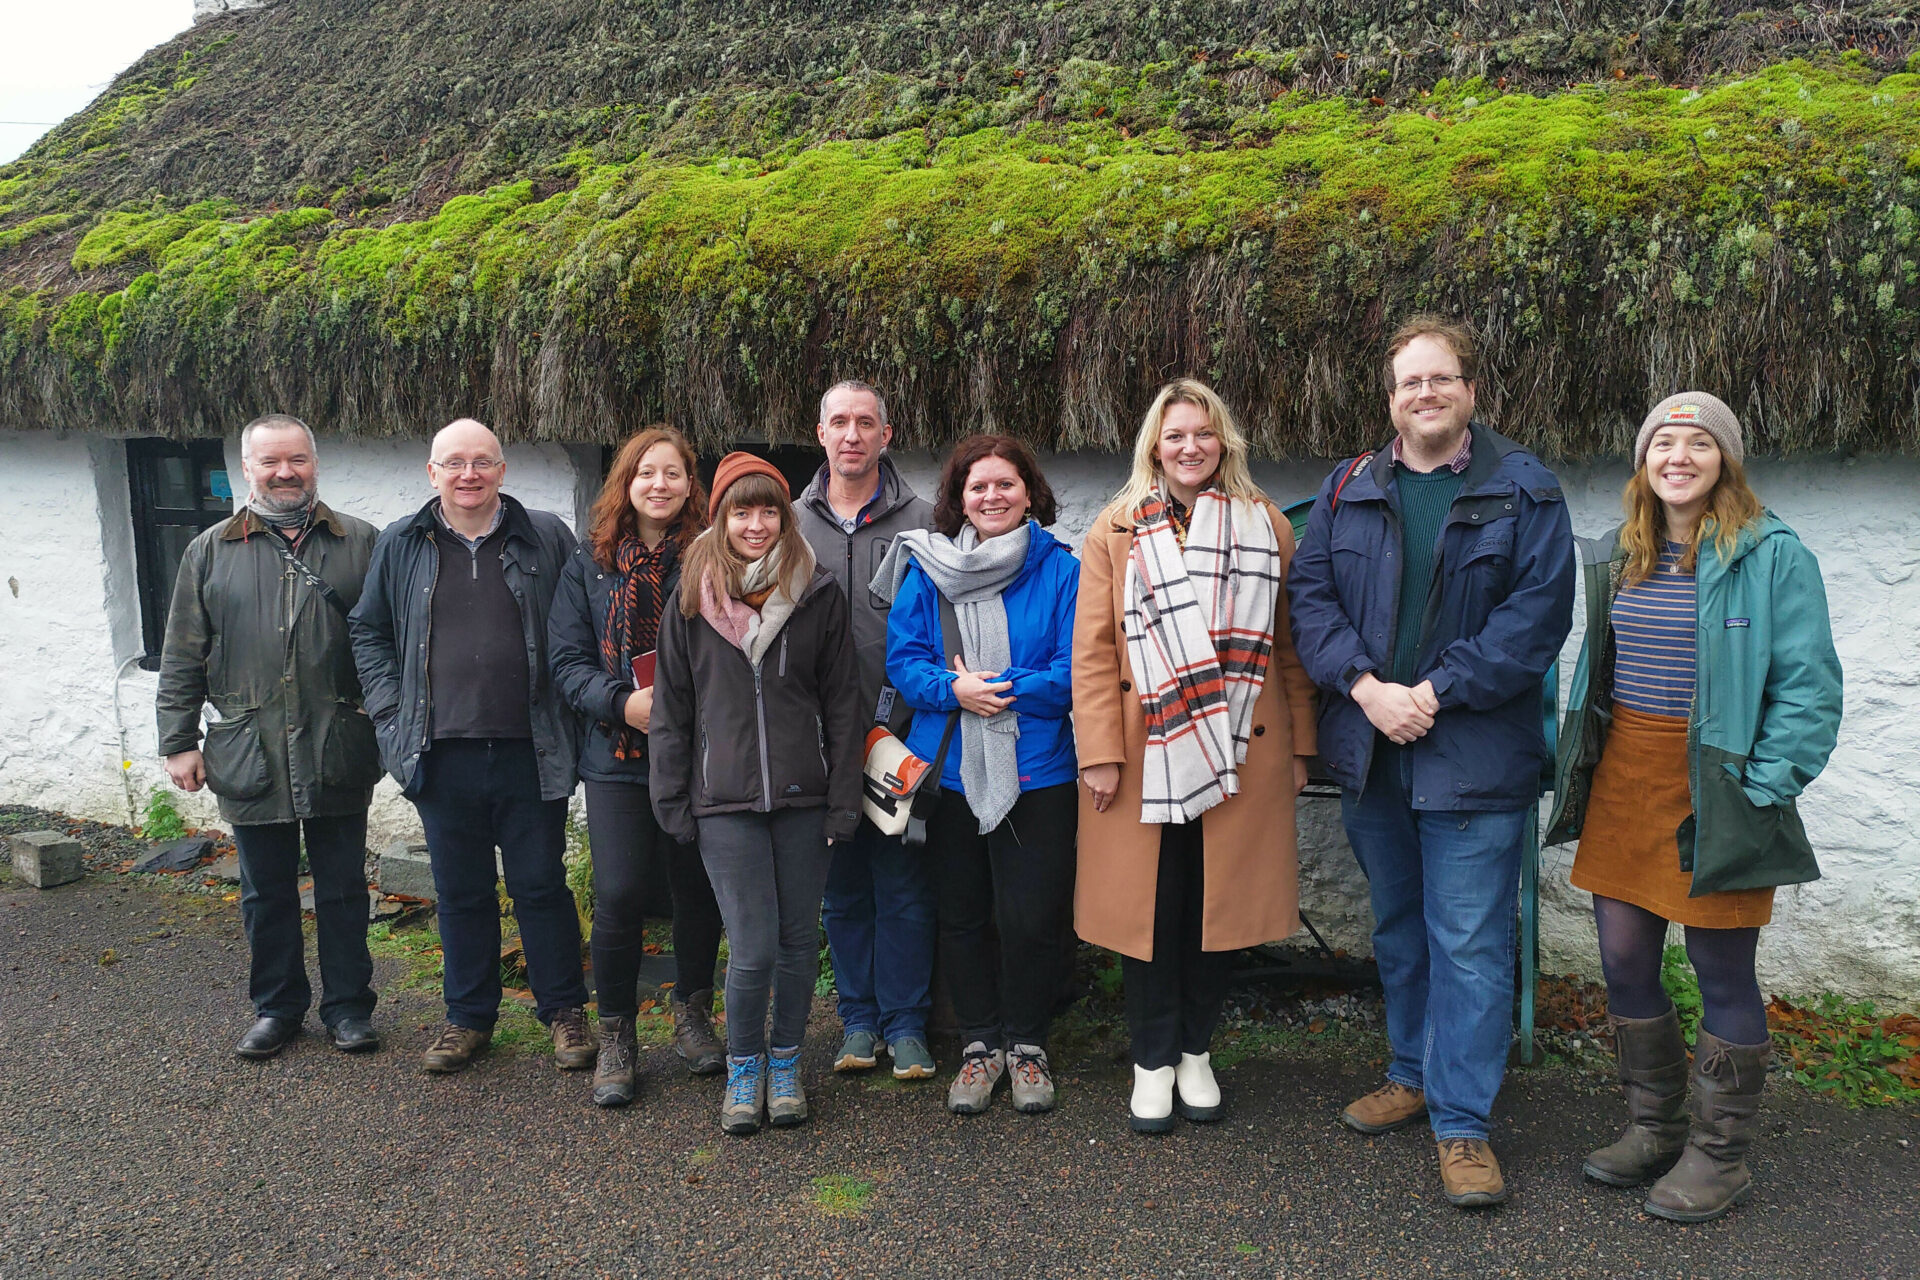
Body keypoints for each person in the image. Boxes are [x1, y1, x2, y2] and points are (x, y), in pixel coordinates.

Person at [1287, 316, 1576, 1208]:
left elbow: (1534, 623)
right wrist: (1369, 689)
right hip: (1376, 751)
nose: (1426, 394)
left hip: (1474, 757)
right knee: (1402, 932)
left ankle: (1463, 1126)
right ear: (1392, 399)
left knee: (1472, 946)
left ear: (1470, 391)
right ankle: (1410, 1075)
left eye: (1441, 380)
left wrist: (1434, 693)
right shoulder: (1348, 488)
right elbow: (1311, 599)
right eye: (1411, 383)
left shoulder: (1527, 492)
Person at [1546, 392, 1841, 1223]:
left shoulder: (1773, 554)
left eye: (1698, 443)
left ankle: (1719, 1157)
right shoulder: (1620, 554)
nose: (1678, 456)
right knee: (1626, 961)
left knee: (1721, 972)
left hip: (1718, 784)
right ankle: (1655, 1127)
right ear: (1645, 462)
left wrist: (1763, 785)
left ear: (1725, 461)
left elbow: (1810, 685)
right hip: (1627, 781)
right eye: (1663, 443)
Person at [1072, 381, 1318, 1132]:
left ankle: (1197, 1053)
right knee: (1154, 907)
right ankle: (1151, 1059)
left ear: (1224, 443)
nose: (1190, 447)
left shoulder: (1267, 524)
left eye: (1203, 435)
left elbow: (1288, 646)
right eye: (1175, 435)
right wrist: (1101, 753)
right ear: (1155, 444)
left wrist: (1303, 743)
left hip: (1243, 743)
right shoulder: (1114, 529)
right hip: (1144, 747)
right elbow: (1092, 651)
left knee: (1218, 906)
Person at [348, 418, 595, 1075]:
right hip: (439, 749)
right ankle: (468, 1019)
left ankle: (565, 1014)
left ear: (502, 470)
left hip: (530, 748)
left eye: (482, 461)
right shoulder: (404, 542)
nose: (469, 474)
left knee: (541, 885)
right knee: (461, 893)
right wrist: (390, 716)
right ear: (433, 473)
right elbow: (368, 631)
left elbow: (578, 628)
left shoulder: (545, 536)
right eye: (453, 463)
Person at [155, 414, 383, 1060]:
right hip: (248, 749)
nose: (286, 473)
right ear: (246, 469)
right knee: (265, 892)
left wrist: (385, 722)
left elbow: (389, 647)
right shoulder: (208, 551)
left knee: (343, 889)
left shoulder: (361, 543)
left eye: (297, 460)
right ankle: (277, 1008)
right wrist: (178, 740)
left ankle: (348, 1009)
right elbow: (182, 657)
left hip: (336, 742)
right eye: (270, 462)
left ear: (315, 462)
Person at [650, 453, 863, 1135]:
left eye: (768, 509)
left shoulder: (817, 593)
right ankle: (743, 1068)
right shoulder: (691, 599)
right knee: (753, 947)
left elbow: (844, 704)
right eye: (741, 509)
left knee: (800, 942)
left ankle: (785, 1064)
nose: (756, 522)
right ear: (720, 516)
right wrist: (673, 799)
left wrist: (844, 798)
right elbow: (672, 710)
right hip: (725, 802)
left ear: (785, 515)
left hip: (805, 798)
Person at [873, 435, 1081, 1115]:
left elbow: (1074, 666)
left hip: (1038, 771)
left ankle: (1027, 1046)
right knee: (961, 916)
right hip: (953, 774)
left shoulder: (1061, 569)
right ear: (958, 498)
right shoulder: (928, 568)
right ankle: (979, 1045)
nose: (991, 496)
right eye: (977, 486)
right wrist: (953, 691)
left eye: (1005, 484)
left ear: (1030, 493)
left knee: (1031, 918)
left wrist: (1002, 687)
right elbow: (904, 661)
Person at [549, 426, 726, 1107]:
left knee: (695, 890)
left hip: (698, 753)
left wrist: (684, 708)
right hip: (616, 752)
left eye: (673, 473)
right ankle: (617, 1034)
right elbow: (566, 662)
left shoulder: (712, 556)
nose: (659, 484)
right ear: (625, 483)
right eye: (645, 472)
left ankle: (691, 1014)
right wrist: (622, 703)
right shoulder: (588, 564)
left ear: (689, 484)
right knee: (619, 893)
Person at [795, 380, 940, 1081]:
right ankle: (857, 1022)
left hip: (902, 739)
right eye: (839, 422)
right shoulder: (790, 522)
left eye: (866, 423)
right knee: (843, 889)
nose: (852, 434)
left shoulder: (929, 521)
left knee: (906, 885)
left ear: (887, 434)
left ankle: (908, 1026)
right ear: (819, 433)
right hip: (818, 747)